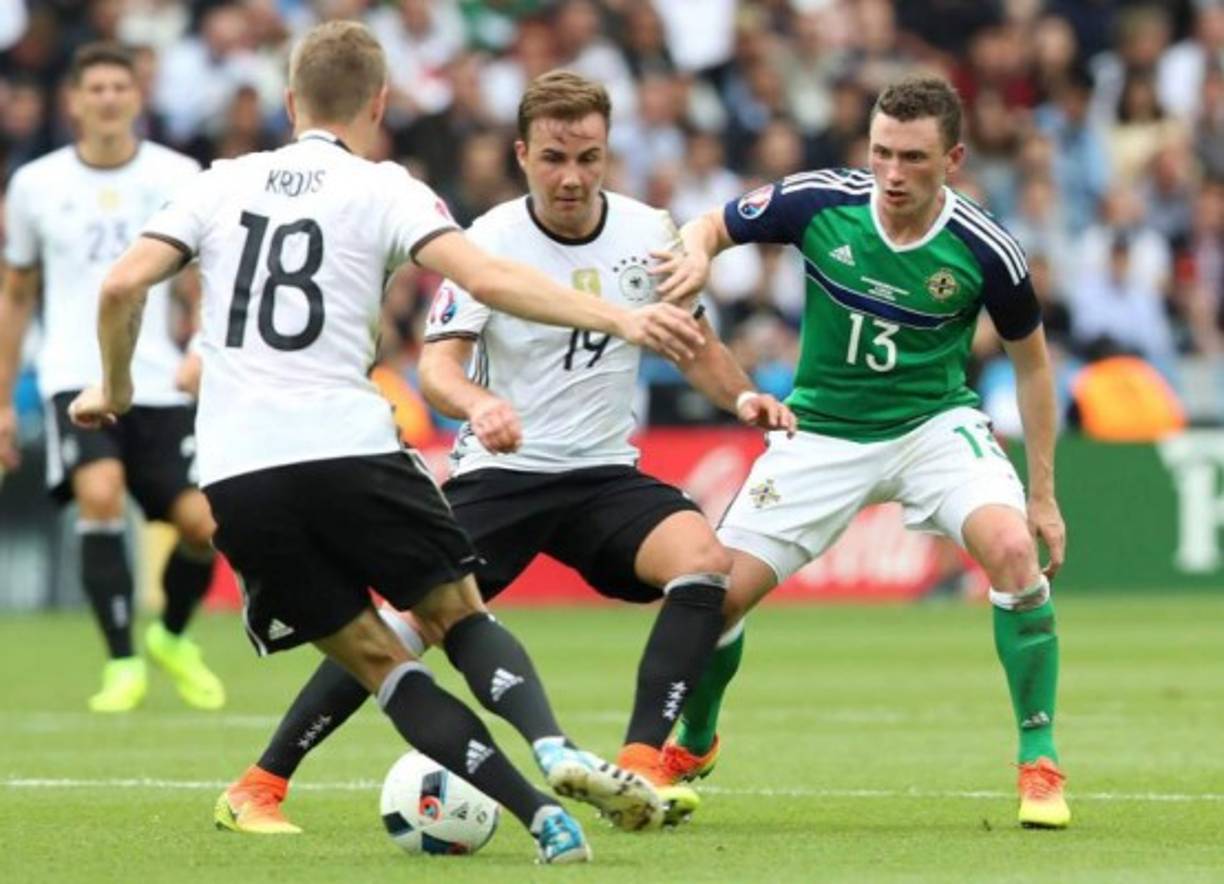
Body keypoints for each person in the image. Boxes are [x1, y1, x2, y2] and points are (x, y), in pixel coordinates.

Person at [67, 22, 708, 864]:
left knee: (382, 663)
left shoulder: (218, 183)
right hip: (347, 447)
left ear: (289, 101)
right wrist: (620, 317)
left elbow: (120, 284)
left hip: (238, 473)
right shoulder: (384, 187)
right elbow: (486, 279)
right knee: (455, 615)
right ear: (378, 103)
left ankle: (538, 817)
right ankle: (551, 746)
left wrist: (113, 387)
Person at [208, 69, 796, 834]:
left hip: (603, 475)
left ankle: (641, 765)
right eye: (553, 158)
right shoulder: (486, 241)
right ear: (522, 155)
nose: (571, 176)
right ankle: (261, 782)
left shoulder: (651, 233)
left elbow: (695, 345)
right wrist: (480, 404)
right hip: (503, 476)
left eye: (588, 158)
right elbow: (438, 368)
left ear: (608, 153)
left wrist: (743, 399)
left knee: (705, 564)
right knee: (404, 629)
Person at [653, 75, 1072, 830]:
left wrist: (1042, 494)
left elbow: (1034, 366)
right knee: (715, 596)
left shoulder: (987, 248)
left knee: (1014, 551)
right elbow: (708, 224)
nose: (892, 173)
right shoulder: (822, 200)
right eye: (881, 153)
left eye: (913, 157)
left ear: (954, 159)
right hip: (819, 431)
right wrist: (696, 255)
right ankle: (696, 739)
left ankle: (1039, 761)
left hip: (932, 427)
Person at [0, 43, 225, 714]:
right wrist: (3, 400)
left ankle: (171, 637)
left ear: (137, 97)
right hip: (74, 373)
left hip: (159, 378)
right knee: (99, 494)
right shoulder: (36, 184)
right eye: (94, 87)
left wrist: (201, 348)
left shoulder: (178, 175)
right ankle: (122, 660)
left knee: (203, 524)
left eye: (118, 87)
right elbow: (17, 293)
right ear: (73, 100)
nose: (106, 98)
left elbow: (211, 278)